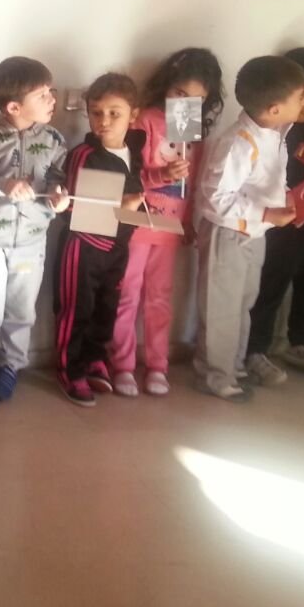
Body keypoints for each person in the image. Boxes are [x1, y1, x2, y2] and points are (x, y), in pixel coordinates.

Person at [110, 48, 224, 397]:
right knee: (126, 294)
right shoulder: (145, 120)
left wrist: (188, 221)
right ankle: (122, 365)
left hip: (169, 227)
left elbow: (192, 185)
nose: (185, 103)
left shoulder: (192, 130)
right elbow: (127, 175)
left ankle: (157, 366)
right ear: (166, 86)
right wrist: (162, 175)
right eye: (179, 93)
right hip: (135, 221)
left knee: (160, 298)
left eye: (196, 99)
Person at [0, 57, 68, 411]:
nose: (52, 99)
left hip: (31, 241)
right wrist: (1, 185)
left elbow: (57, 181)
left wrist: (58, 198)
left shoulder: (53, 139)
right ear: (14, 107)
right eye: (42, 95)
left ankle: (11, 365)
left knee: (22, 309)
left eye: (50, 91)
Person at [195, 56, 304, 402]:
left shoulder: (276, 132)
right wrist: (267, 212)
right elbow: (216, 198)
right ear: (274, 109)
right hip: (228, 235)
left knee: (244, 303)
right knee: (221, 309)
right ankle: (216, 374)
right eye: (300, 97)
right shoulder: (239, 142)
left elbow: (268, 181)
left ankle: (234, 365)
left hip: (255, 232)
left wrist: (288, 198)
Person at [245, 48, 304, 381]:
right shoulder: (276, 132)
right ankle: (255, 349)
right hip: (285, 226)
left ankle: (302, 342)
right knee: (271, 287)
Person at [55, 73, 146, 407]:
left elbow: (137, 190)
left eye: (114, 113)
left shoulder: (135, 150)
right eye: (96, 113)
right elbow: (73, 210)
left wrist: (142, 201)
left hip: (119, 245)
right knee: (76, 309)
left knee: (107, 307)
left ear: (133, 115)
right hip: (84, 247)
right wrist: (121, 206)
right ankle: (69, 369)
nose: (103, 121)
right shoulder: (84, 154)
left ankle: (95, 358)